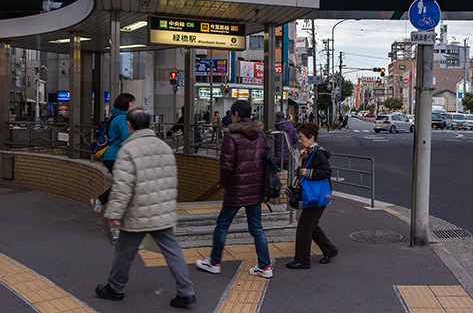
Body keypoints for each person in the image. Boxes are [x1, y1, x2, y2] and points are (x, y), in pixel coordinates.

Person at [95, 109, 196, 309]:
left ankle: (115, 288)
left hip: (137, 213)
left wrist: (114, 213)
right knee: (173, 251)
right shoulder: (164, 147)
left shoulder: (128, 149)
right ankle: (186, 291)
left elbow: (122, 187)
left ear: (129, 126)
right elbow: (172, 179)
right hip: (162, 210)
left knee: (124, 251)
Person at [195, 100, 273, 278]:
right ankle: (265, 266)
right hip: (256, 187)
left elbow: (226, 166)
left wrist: (224, 183)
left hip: (236, 188)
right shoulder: (260, 135)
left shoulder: (231, 136)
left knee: (222, 225)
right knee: (256, 228)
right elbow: (266, 159)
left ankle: (214, 262)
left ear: (236, 115)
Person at [286, 122, 338, 269]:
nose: (300, 140)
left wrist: (307, 172)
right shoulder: (310, 152)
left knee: (304, 227)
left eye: (302, 138)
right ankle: (330, 250)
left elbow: (327, 172)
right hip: (315, 195)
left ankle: (302, 260)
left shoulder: (318, 153)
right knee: (311, 226)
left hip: (317, 195)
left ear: (311, 138)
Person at [90, 93, 135, 233]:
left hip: (112, 156)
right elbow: (127, 138)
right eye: (132, 103)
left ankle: (101, 202)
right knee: (125, 184)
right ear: (127, 103)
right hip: (115, 156)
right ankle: (110, 210)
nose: (134, 105)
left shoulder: (116, 116)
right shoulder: (122, 118)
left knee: (123, 184)